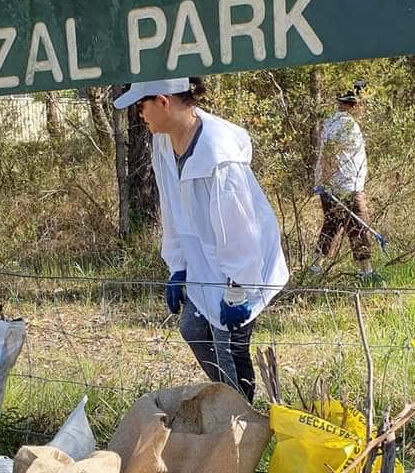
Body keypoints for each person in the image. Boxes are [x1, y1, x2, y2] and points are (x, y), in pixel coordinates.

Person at [112, 77, 288, 402]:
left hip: (241, 264)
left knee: (227, 346)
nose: (139, 114)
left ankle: (239, 421)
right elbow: (171, 207)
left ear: (164, 102)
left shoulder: (217, 154)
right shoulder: (163, 142)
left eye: (142, 105)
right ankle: (226, 402)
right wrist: (177, 266)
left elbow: (240, 227)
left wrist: (239, 289)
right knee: (192, 329)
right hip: (202, 260)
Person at [309, 85, 378, 283]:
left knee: (331, 226)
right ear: (354, 106)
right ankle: (367, 274)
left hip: (338, 186)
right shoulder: (345, 124)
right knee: (359, 227)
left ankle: (316, 267)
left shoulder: (332, 122)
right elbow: (330, 151)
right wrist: (329, 185)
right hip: (345, 187)